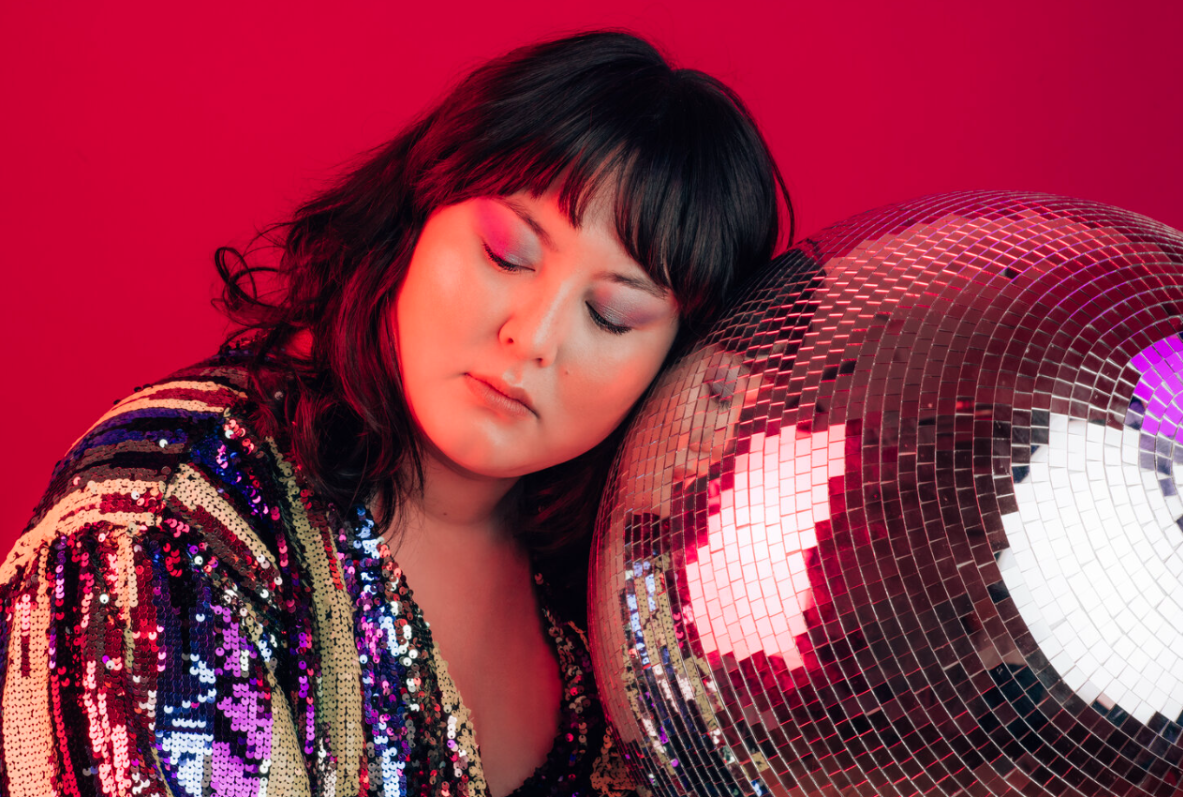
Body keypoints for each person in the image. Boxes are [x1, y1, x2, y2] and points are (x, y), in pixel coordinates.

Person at [0, 29, 793, 797]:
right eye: (505, 254)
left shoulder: (627, 597)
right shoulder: (170, 515)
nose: (533, 338)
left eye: (612, 316)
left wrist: (690, 530)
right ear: (419, 216)